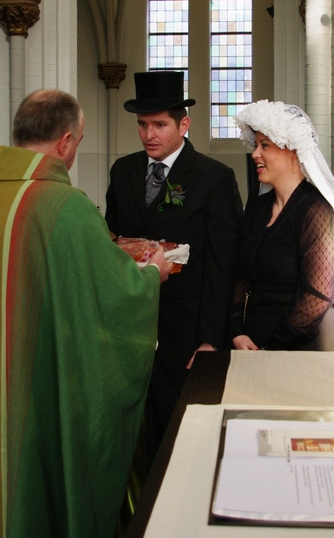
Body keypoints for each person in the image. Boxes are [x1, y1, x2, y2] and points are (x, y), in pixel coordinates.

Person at [0, 89, 171, 538]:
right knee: (26, 476)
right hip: (31, 384)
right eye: (80, 141)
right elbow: (116, 296)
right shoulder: (63, 206)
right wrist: (152, 275)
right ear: (66, 141)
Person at [105, 70, 243, 458]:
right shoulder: (123, 170)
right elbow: (113, 241)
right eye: (142, 124)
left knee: (184, 438)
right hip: (133, 325)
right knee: (137, 439)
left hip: (185, 332)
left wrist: (210, 339)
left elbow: (222, 264)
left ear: (184, 125)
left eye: (160, 125)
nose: (149, 134)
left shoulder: (214, 178)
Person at [228, 100, 334, 351]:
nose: (255, 154)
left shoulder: (316, 210)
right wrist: (237, 331)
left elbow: (317, 296)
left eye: (265, 145)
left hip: (297, 344)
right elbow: (241, 275)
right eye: (255, 145)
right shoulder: (257, 206)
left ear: (293, 151)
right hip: (248, 341)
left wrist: (270, 348)